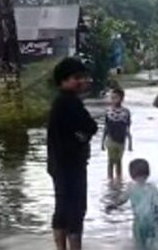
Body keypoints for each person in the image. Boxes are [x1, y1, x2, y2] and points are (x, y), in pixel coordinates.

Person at [47, 57, 98, 250]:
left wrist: (81, 136)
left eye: (83, 77)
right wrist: (82, 138)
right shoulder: (70, 103)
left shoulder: (59, 103)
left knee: (62, 208)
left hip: (57, 164)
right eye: (77, 77)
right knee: (76, 210)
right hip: (71, 165)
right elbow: (90, 126)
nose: (82, 81)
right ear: (63, 81)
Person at [107, 159, 158, 249]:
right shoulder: (153, 188)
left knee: (139, 245)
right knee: (155, 244)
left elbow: (122, 200)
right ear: (148, 173)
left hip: (139, 223)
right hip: (152, 222)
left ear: (132, 175)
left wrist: (113, 205)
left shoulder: (131, 187)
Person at [101, 87, 132, 181]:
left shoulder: (126, 112)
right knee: (110, 161)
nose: (113, 100)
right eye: (112, 97)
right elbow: (106, 127)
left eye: (116, 97)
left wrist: (130, 142)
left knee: (119, 161)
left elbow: (127, 128)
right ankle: (110, 180)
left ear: (121, 98)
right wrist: (102, 142)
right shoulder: (108, 112)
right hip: (110, 139)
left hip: (121, 140)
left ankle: (118, 180)